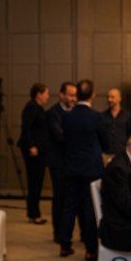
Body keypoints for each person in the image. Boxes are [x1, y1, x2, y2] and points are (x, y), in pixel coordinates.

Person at [60, 79, 111, 260]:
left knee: (69, 206)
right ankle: (90, 250)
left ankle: (65, 246)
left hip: (71, 166)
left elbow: (65, 141)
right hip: (91, 168)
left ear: (77, 96)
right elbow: (106, 143)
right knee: (90, 208)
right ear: (93, 96)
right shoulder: (97, 116)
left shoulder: (67, 116)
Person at [46, 82, 77, 242]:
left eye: (75, 95)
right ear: (61, 95)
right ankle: (58, 233)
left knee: (72, 199)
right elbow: (58, 136)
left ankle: (69, 232)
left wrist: (67, 132)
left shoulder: (75, 112)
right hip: (58, 163)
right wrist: (74, 134)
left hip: (73, 162)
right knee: (59, 198)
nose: (73, 98)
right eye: (70, 95)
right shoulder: (52, 113)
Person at [18, 83, 49, 224]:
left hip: (39, 149)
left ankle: (34, 213)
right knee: (35, 182)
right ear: (38, 94)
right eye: (46, 93)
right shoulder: (32, 106)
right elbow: (26, 126)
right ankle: (34, 214)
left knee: (37, 182)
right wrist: (31, 145)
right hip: (33, 150)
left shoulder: (38, 107)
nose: (48, 96)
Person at [102, 88, 131, 156]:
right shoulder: (103, 115)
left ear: (119, 99)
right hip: (106, 153)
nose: (109, 99)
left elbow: (130, 134)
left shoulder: (127, 116)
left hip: (122, 153)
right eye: (108, 97)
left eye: (112, 97)